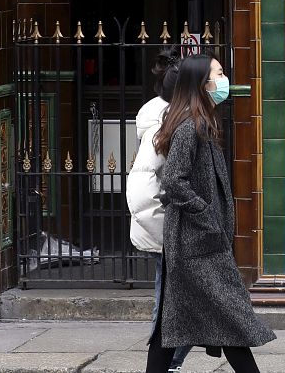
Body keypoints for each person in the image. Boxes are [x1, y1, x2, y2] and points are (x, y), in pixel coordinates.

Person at [146, 54, 274, 373]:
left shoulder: (201, 122)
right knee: (229, 318)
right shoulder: (191, 126)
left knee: (180, 323)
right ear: (203, 84)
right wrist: (205, 215)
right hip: (196, 245)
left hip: (200, 243)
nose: (224, 79)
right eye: (219, 73)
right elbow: (174, 179)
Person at [126, 49, 191, 372]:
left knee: (182, 303)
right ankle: (166, 366)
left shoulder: (177, 118)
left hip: (178, 232)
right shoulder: (163, 123)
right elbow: (141, 186)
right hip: (169, 233)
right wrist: (165, 235)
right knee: (170, 305)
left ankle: (168, 365)